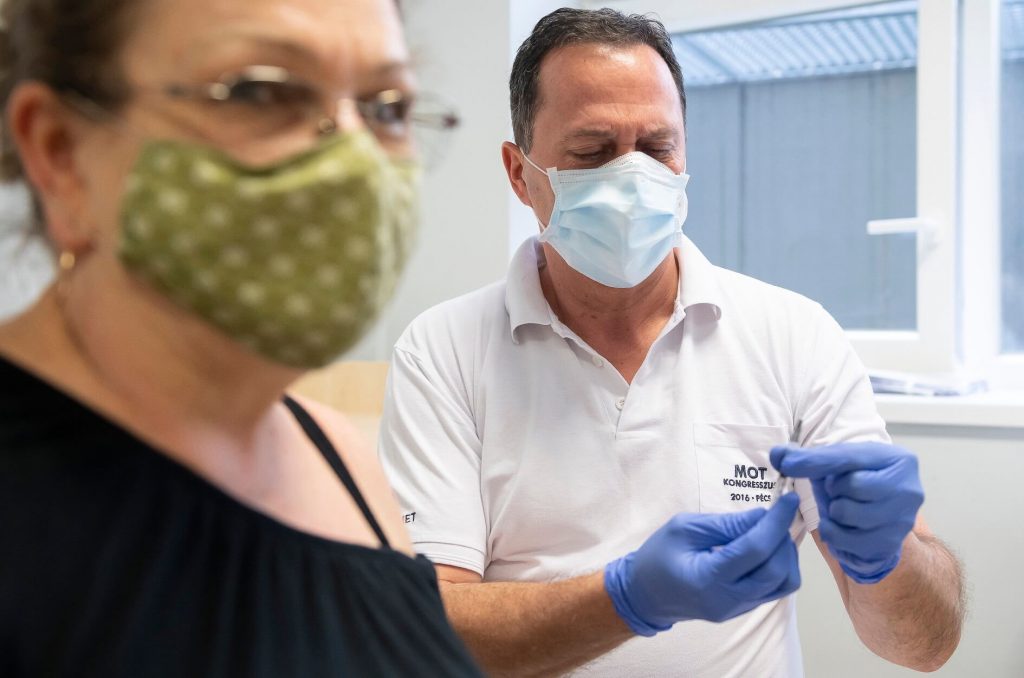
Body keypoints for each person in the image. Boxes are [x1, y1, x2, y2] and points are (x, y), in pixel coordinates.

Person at [378, 8, 965, 677]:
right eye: (593, 151)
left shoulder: (793, 337)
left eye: (657, 149)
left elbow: (924, 648)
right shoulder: (445, 351)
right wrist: (626, 599)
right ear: (520, 174)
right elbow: (422, 630)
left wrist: (891, 559)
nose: (632, 180)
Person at [0, 0, 481, 675]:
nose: (353, 161)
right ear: (61, 154)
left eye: (387, 108)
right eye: (259, 91)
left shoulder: (341, 463)